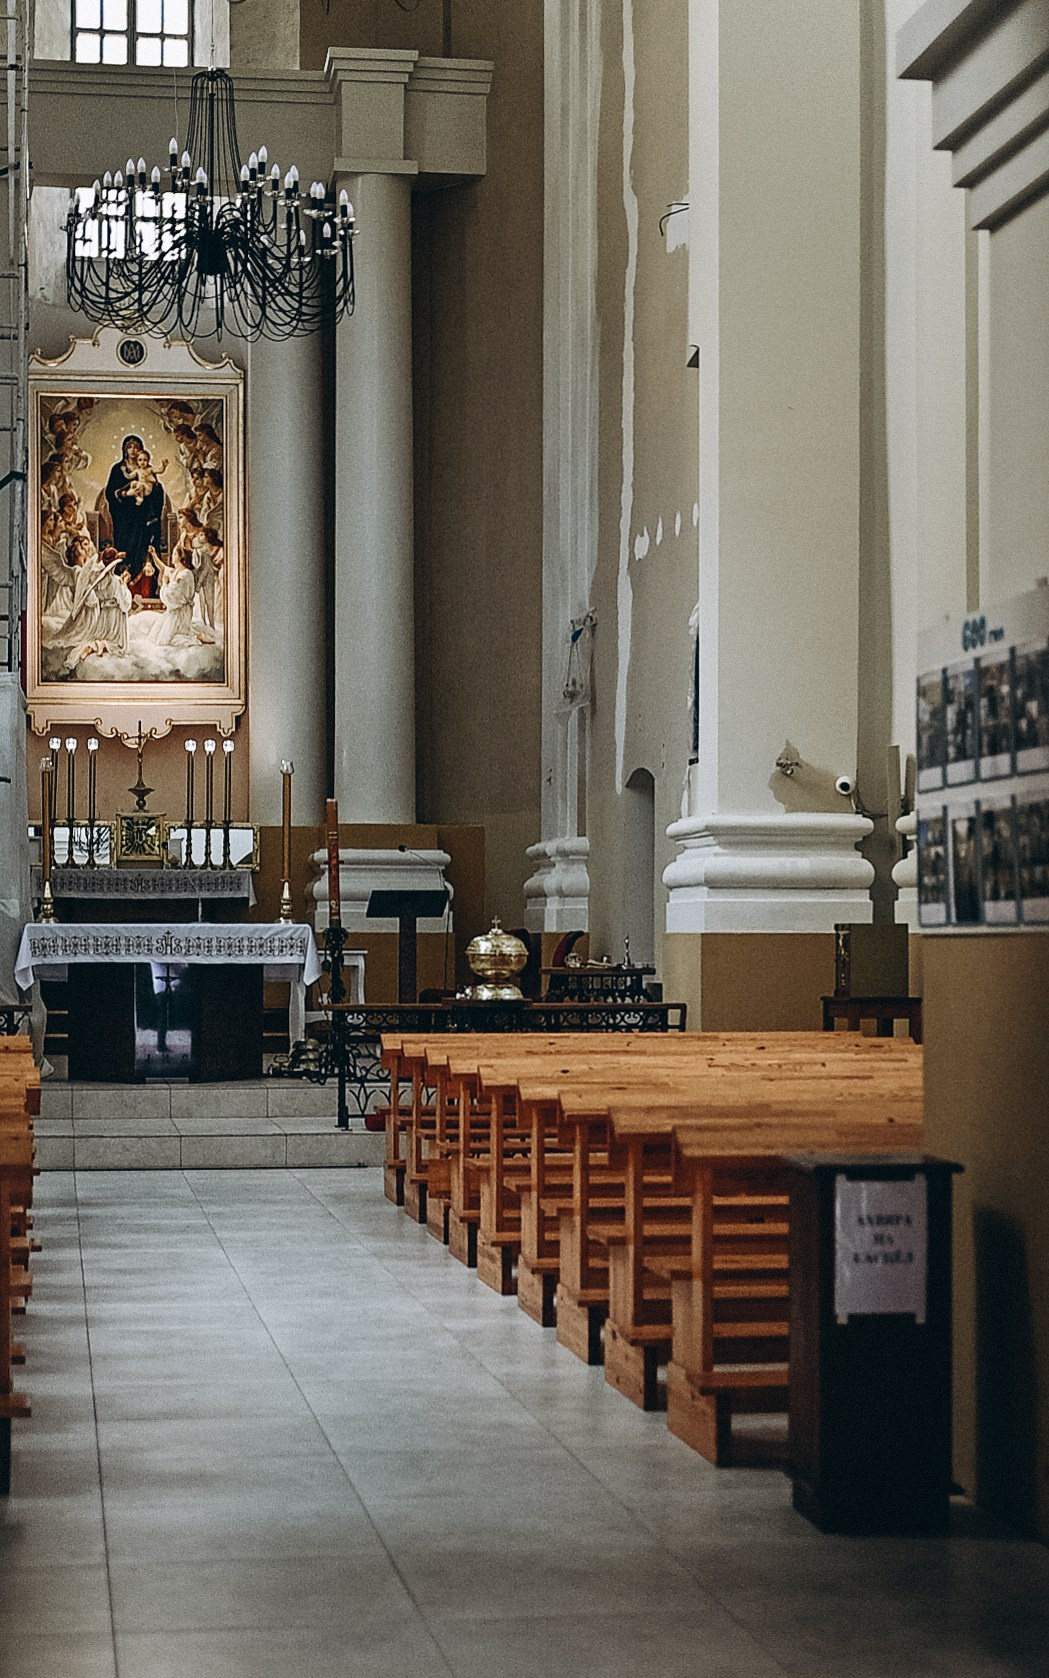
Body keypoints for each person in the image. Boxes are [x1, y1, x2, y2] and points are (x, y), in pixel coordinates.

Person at [103, 433, 165, 592]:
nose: (132, 450)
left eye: (136, 447)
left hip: (143, 519)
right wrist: (123, 495)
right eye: (129, 447)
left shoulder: (146, 469)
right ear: (124, 449)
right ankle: (121, 587)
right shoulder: (118, 469)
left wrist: (153, 491)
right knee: (125, 548)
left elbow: (156, 490)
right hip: (124, 519)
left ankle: (145, 590)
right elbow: (110, 493)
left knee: (142, 546)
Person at [153, 549, 215, 648]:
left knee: (163, 641)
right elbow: (163, 568)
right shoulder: (177, 571)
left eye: (174, 554)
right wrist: (153, 554)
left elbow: (171, 595)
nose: (172, 556)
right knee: (155, 634)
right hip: (174, 611)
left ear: (181, 558)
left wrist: (165, 584)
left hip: (181, 612)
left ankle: (196, 637)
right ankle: (193, 635)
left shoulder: (185, 574)